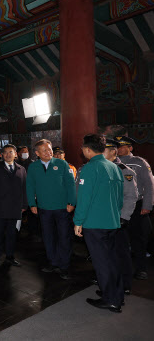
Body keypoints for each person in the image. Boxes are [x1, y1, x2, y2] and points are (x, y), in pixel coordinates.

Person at [74, 134, 124, 313]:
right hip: (112, 221)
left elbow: (84, 198)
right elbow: (120, 199)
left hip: (94, 223)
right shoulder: (114, 167)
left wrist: (78, 221)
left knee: (102, 262)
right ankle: (116, 294)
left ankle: (110, 299)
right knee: (112, 260)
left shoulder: (89, 169)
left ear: (87, 149)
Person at [26, 139, 76, 279]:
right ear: (37, 153)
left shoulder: (62, 163)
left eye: (50, 149)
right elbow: (30, 186)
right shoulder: (33, 167)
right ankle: (53, 262)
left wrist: (72, 202)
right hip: (43, 208)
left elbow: (70, 184)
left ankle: (64, 266)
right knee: (48, 236)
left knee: (63, 237)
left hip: (62, 208)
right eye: (45, 150)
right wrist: (32, 204)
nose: (49, 152)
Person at [102, 138, 138, 295]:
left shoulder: (125, 170)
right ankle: (109, 284)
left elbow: (131, 196)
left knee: (121, 252)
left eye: (103, 150)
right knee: (105, 254)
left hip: (118, 219)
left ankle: (125, 283)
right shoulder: (99, 168)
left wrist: (124, 217)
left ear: (113, 151)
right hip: (102, 219)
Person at [115, 135, 154, 280]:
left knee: (139, 239)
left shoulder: (139, 162)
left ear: (130, 148)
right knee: (120, 240)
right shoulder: (112, 164)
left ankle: (141, 268)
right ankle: (121, 269)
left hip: (137, 206)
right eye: (116, 146)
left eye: (121, 146)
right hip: (119, 206)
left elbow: (149, 185)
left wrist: (147, 205)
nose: (118, 149)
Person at [0, 144, 27, 266]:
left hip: (16, 207)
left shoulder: (22, 169)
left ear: (16, 154)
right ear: (2, 155)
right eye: (5, 152)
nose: (8, 154)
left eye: (11, 152)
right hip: (0, 206)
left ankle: (10, 256)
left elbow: (24, 188)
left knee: (12, 233)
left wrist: (24, 204)